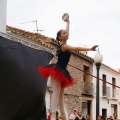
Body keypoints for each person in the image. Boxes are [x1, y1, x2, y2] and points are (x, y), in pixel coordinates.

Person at [38, 14, 98, 120]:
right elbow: (76, 48)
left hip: (62, 70)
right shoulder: (64, 46)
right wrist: (90, 49)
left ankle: (62, 115)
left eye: (66, 33)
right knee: (56, 92)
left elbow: (67, 32)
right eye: (64, 33)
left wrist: (68, 23)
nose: (66, 34)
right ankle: (52, 115)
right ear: (60, 37)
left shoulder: (64, 43)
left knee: (61, 95)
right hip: (58, 69)